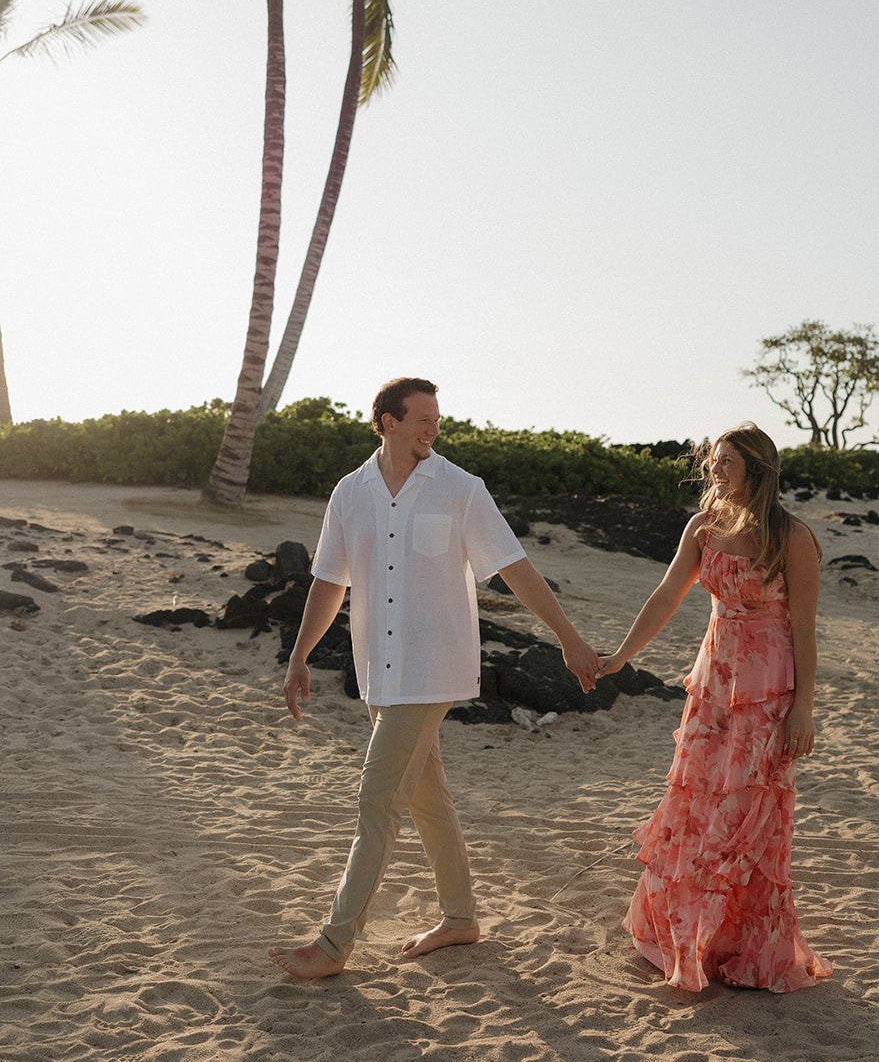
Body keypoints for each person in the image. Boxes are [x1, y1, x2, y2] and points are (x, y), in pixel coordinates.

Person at [268, 377, 599, 980]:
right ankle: (461, 918)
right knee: (427, 798)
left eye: (437, 419)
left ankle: (333, 945)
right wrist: (299, 656)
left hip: (433, 668)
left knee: (377, 799)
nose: (433, 429)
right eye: (422, 419)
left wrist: (567, 636)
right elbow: (328, 582)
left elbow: (513, 568)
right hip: (380, 668)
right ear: (387, 423)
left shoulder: (459, 489)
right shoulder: (351, 493)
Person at [596, 423, 832, 994]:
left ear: (758, 469)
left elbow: (804, 629)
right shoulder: (704, 527)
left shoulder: (792, 537)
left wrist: (803, 708)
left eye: (728, 462)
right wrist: (621, 655)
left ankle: (743, 944)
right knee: (696, 802)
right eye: (714, 461)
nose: (716, 470)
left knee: (751, 812)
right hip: (713, 684)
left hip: (768, 690)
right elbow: (666, 595)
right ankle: (697, 938)